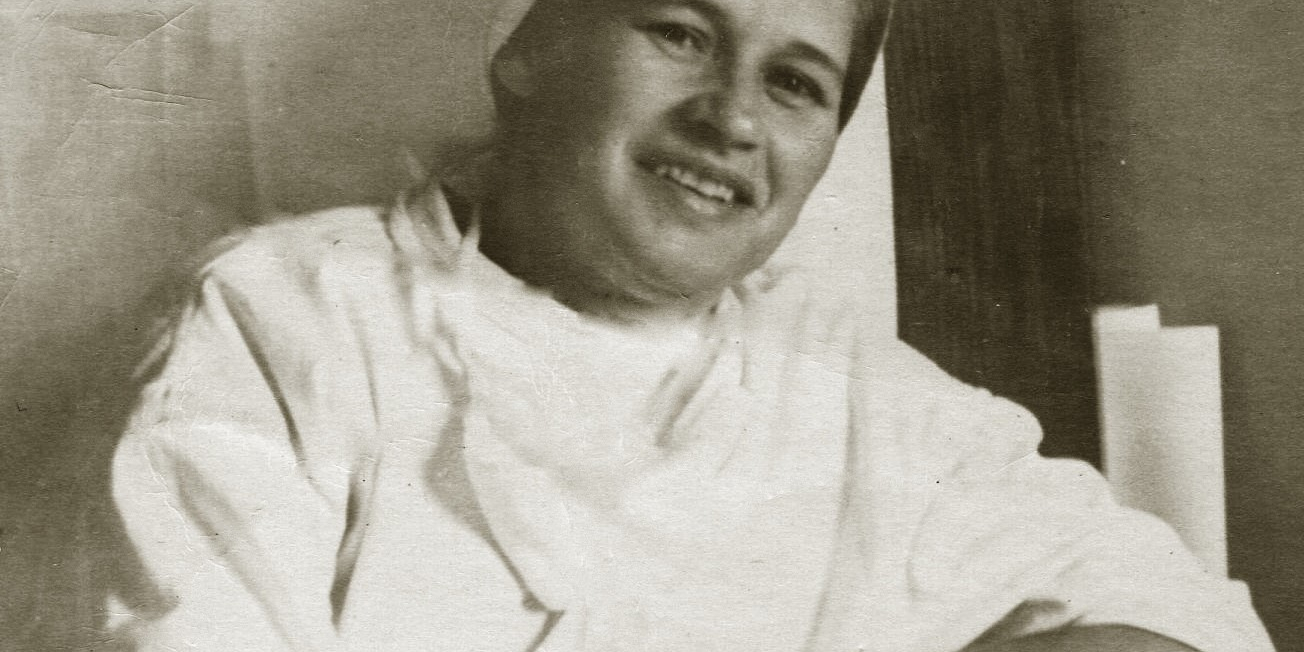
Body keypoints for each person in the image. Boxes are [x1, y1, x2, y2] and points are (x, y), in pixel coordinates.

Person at [108, 0, 1274, 650]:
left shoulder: (863, 397)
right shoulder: (285, 320)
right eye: (679, 32)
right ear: (529, 50)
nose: (730, 118)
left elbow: (1176, 613)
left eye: (795, 83)